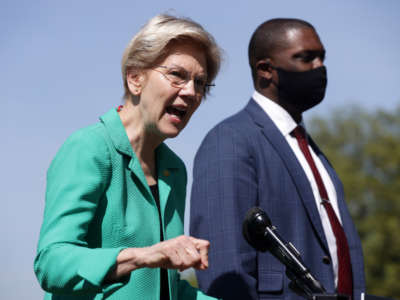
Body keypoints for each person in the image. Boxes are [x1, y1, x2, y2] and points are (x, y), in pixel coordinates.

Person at [34, 14, 222, 300]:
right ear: (135, 78)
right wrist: (143, 256)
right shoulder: (89, 148)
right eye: (177, 75)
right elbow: (51, 263)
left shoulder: (174, 170)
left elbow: (164, 289)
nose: (191, 91)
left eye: (200, 82)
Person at [190, 18, 366, 300]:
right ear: (266, 70)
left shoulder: (312, 152)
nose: (319, 67)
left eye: (322, 57)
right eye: (306, 58)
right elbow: (225, 265)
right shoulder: (231, 140)